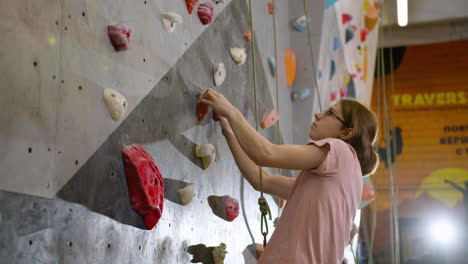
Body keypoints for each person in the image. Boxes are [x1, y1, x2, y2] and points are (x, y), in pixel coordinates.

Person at [200, 88, 379, 263]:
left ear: (347, 133)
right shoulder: (335, 183)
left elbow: (266, 153)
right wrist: (228, 130)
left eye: (330, 113)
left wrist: (229, 110)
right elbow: (261, 180)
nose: (318, 115)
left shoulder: (343, 152)